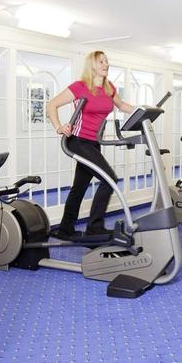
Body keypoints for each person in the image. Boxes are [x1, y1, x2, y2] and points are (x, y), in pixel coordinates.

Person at [46, 51, 134, 240]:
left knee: (79, 187)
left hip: (94, 143)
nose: (106, 64)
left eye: (106, 61)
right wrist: (59, 126)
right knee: (109, 179)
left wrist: (144, 111)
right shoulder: (80, 87)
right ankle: (94, 227)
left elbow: (122, 105)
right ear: (92, 65)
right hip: (78, 141)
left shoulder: (109, 88)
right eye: (101, 61)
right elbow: (51, 104)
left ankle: (65, 229)